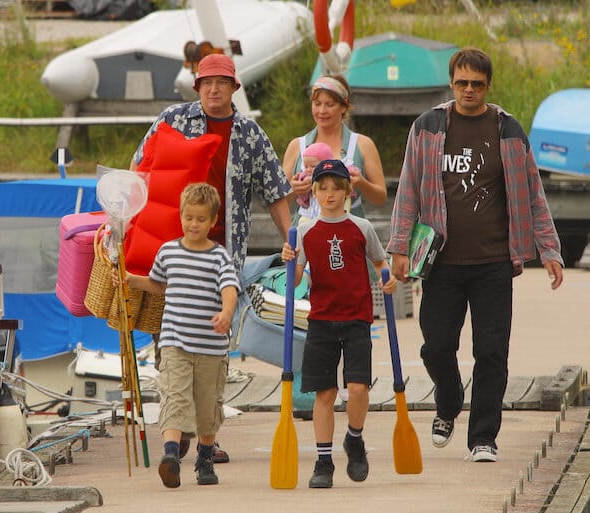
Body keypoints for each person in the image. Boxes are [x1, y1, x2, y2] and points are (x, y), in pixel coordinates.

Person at [386, 47, 565, 463]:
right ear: (451, 83)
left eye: (477, 84)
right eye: (462, 82)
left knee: (491, 352)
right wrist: (398, 246)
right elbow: (408, 189)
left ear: (488, 86)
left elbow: (533, 195)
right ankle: (448, 403)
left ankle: (483, 436)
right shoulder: (427, 126)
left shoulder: (508, 130)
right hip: (440, 262)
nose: (469, 90)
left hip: (493, 264)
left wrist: (550, 249)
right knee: (436, 347)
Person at [130, 52, 292, 463]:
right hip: (174, 256)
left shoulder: (251, 134)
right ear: (197, 86)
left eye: (222, 83)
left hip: (224, 261)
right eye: (207, 83)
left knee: (213, 355)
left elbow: (275, 192)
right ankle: (177, 428)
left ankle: (204, 437)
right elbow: (138, 171)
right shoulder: (172, 119)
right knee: (170, 349)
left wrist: (293, 242)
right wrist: (127, 230)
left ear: (234, 88)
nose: (214, 90)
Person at [280, 159, 397, 489]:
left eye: (336, 188)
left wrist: (387, 280)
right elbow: (297, 280)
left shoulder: (361, 227)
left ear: (348, 191)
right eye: (323, 188)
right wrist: (289, 261)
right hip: (321, 319)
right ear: (313, 192)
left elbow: (379, 263)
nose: (329, 194)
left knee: (358, 388)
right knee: (325, 393)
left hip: (357, 317)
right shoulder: (304, 231)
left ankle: (355, 438)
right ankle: (323, 461)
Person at [124, 183, 241, 488]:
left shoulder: (219, 257)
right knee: (174, 397)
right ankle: (171, 455)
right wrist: (129, 280)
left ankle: (204, 459)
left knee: (207, 405)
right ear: (181, 216)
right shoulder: (168, 251)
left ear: (213, 221)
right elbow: (158, 284)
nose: (193, 224)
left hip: (210, 347)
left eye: (201, 219)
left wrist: (226, 313)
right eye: (188, 217)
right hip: (174, 341)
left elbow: (230, 288)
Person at [281, 74, 388, 221]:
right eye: (317, 104)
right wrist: (294, 190)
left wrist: (362, 183)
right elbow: (279, 201)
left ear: (344, 107)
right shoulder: (296, 146)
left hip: (349, 235)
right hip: (305, 236)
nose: (322, 111)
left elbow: (381, 198)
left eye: (329, 104)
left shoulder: (363, 144)